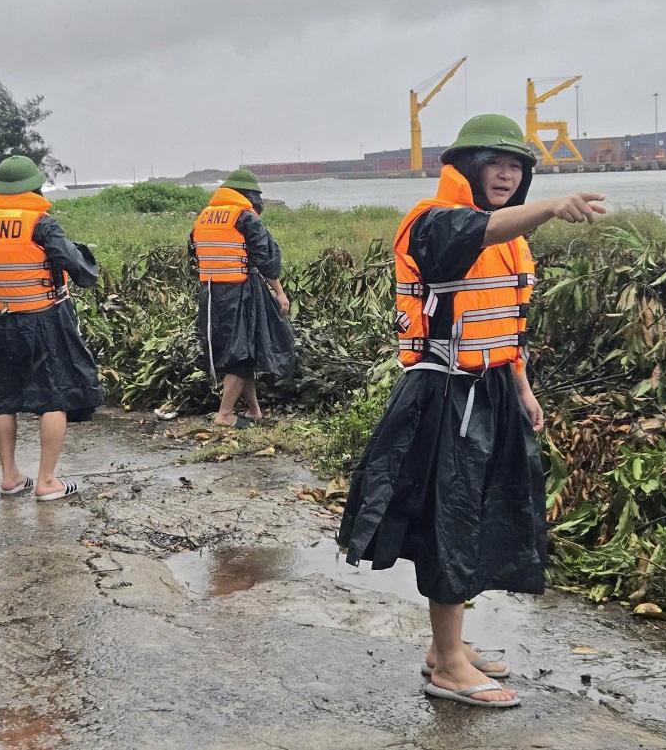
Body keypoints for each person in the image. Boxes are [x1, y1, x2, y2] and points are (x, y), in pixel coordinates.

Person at [337, 114, 606, 708]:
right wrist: (552, 207)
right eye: (496, 164)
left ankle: (446, 646)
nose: (508, 175)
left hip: (493, 392)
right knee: (449, 522)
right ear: (466, 169)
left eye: (517, 166)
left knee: (481, 514)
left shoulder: (509, 238)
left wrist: (523, 388)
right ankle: (448, 666)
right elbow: (468, 231)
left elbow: (506, 322)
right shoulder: (432, 223)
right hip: (444, 396)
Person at [0, 155, 102, 501]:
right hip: (44, 319)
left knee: (2, 398)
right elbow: (81, 271)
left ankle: (10, 476)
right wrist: (85, 257)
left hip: (0, 321)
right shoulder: (40, 223)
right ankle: (46, 481)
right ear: (34, 187)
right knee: (55, 395)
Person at [189, 168, 294, 428]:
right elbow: (266, 258)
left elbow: (194, 252)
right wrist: (279, 293)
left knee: (235, 349)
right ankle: (225, 414)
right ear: (247, 194)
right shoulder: (243, 216)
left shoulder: (204, 217)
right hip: (240, 293)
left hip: (211, 294)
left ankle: (253, 409)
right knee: (241, 353)